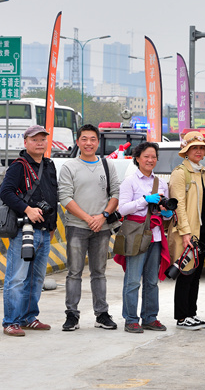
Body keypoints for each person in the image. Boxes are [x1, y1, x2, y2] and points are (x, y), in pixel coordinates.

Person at [58, 124, 121, 332]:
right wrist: (88, 218)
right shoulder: (70, 167)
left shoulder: (107, 165)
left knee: (99, 272)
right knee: (74, 272)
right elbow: (65, 197)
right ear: (78, 142)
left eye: (93, 139)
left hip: (101, 228)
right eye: (84, 139)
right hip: (77, 227)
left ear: (98, 142)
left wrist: (102, 217)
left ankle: (101, 314)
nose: (88, 143)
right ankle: (72, 315)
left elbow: (115, 195)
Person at [1, 125, 58, 337]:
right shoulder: (19, 166)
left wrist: (52, 226)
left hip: (44, 231)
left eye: (43, 139)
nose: (40, 142)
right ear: (26, 142)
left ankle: (28, 318)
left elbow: (54, 196)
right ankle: (11, 321)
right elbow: (5, 192)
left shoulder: (49, 165)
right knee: (17, 278)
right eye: (35, 139)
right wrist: (27, 209)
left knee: (36, 279)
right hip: (24, 230)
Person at [117, 142, 172, 333]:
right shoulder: (130, 181)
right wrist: (144, 200)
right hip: (136, 235)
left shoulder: (162, 183)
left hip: (155, 236)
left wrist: (167, 212)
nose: (150, 160)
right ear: (138, 158)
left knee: (151, 281)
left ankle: (150, 317)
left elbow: (167, 213)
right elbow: (122, 208)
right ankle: (131, 319)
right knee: (132, 280)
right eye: (146, 156)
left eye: (153, 157)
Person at [169, 131, 205, 330]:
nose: (198, 151)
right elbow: (178, 205)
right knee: (185, 272)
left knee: (196, 274)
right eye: (194, 148)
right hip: (187, 233)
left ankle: (191, 313)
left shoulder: (203, 171)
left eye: (201, 148)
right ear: (186, 151)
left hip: (203, 231)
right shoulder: (181, 173)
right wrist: (185, 232)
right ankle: (181, 316)